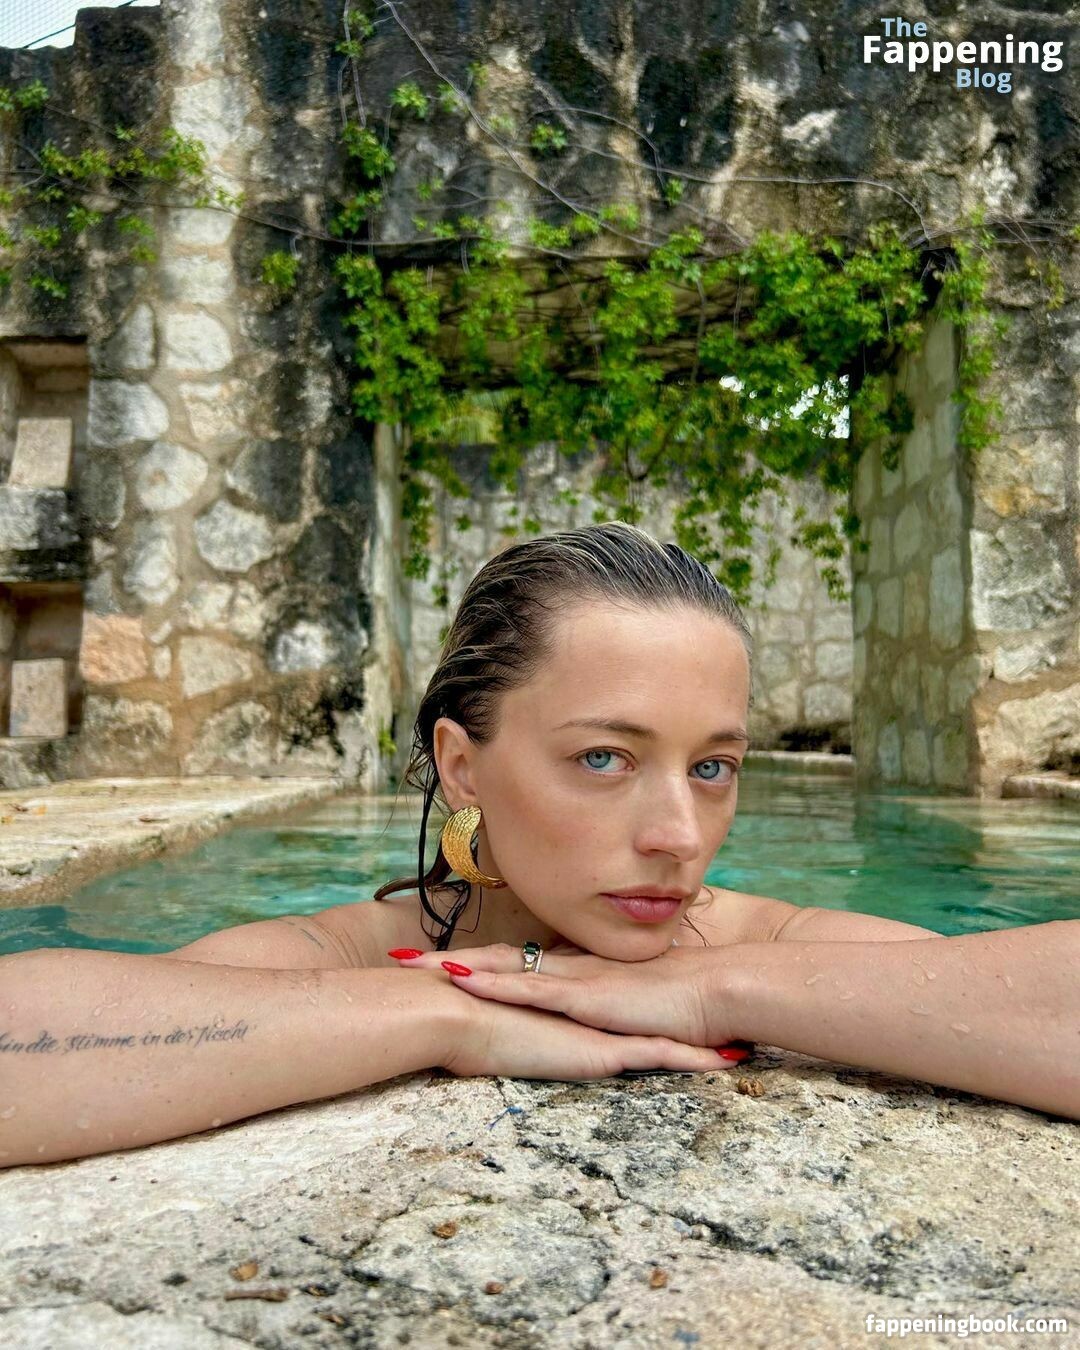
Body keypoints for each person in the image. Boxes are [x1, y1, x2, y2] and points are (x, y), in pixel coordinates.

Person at [1, 525, 1075, 1170]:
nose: (679, 835)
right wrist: (449, 1013)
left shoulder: (766, 942)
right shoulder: (345, 954)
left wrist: (720, 989)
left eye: (713, 766)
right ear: (462, 766)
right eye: (604, 757)